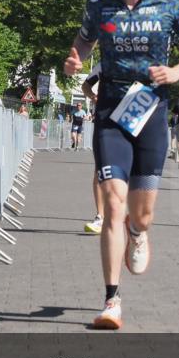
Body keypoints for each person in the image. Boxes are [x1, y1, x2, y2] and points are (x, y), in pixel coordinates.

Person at [64, 0, 179, 330]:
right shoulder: (99, 4)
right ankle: (112, 300)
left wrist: (177, 71)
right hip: (112, 111)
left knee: (141, 215)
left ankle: (139, 232)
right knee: (113, 203)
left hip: (151, 110)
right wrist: (75, 60)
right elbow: (83, 43)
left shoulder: (168, 5)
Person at [81, 64, 104, 235]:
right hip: (104, 121)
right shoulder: (104, 64)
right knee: (99, 171)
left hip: (129, 123)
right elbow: (85, 85)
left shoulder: (141, 62)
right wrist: (94, 97)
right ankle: (100, 216)